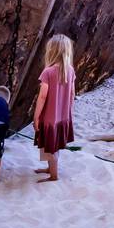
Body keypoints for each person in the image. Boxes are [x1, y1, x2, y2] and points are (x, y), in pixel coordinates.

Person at [33, 34, 76, 182]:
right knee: (52, 144)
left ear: (51, 51)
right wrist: (68, 112)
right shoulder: (70, 70)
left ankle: (54, 175)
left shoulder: (48, 72)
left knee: (50, 145)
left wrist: (36, 116)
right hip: (62, 116)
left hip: (49, 117)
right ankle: (50, 168)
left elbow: (43, 96)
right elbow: (72, 93)